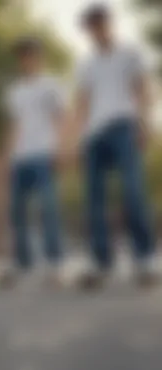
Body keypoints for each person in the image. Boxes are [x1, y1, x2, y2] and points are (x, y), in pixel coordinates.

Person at [67, 4, 159, 289]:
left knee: (132, 191)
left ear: (109, 22)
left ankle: (145, 258)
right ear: (87, 30)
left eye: (100, 23)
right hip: (94, 134)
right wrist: (76, 138)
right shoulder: (85, 64)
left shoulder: (130, 53)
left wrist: (144, 123)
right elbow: (82, 101)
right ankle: (101, 261)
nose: (96, 29)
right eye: (91, 25)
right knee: (94, 199)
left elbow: (143, 87)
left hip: (124, 126)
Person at [4, 37, 66, 287]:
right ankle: (23, 263)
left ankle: (55, 264)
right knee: (17, 210)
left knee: (48, 208)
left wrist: (61, 148)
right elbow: (14, 124)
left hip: (44, 153)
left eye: (31, 54)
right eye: (23, 55)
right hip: (20, 157)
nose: (26, 59)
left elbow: (62, 116)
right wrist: (8, 154)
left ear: (39, 57)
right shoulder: (15, 90)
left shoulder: (51, 85)